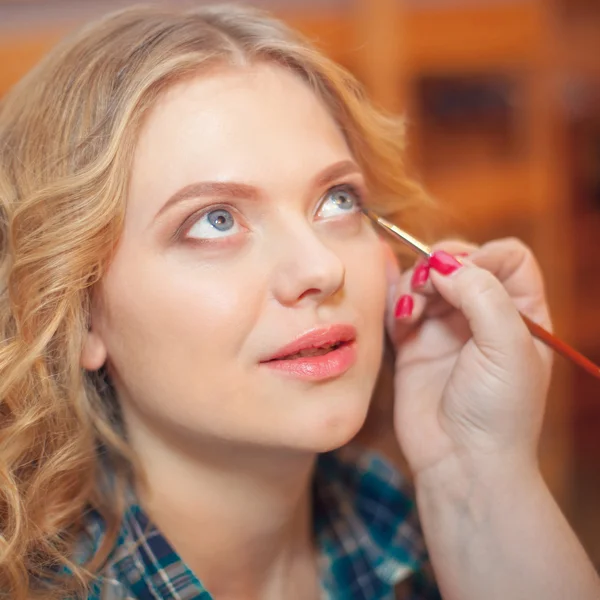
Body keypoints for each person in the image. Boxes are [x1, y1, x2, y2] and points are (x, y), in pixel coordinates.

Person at [0, 4, 598, 600]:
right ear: (78, 313)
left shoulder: (384, 519)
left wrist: (478, 477)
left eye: (336, 201)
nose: (321, 266)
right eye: (214, 220)